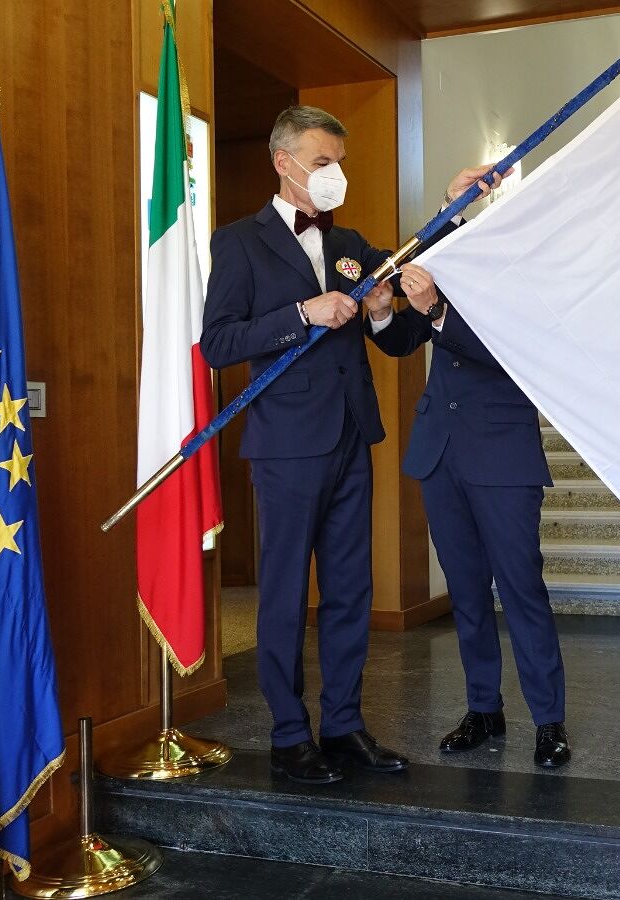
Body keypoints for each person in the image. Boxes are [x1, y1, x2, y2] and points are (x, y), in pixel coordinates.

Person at [199, 105, 496, 784]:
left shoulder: (351, 242)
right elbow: (218, 342)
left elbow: (404, 298)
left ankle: (342, 725)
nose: (335, 173)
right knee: (283, 594)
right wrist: (301, 314)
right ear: (284, 163)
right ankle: (288, 735)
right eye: (322, 161)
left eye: (339, 161)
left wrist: (447, 211)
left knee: (349, 591)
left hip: (351, 437)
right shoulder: (239, 242)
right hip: (285, 445)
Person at [365, 209, 571, 768]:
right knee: (467, 592)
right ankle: (484, 707)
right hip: (440, 451)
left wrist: (435, 310)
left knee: (521, 588)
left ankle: (549, 719)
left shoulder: (529, 274)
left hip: (503, 453)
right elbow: (404, 339)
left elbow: (509, 351)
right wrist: (382, 314)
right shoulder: (449, 259)